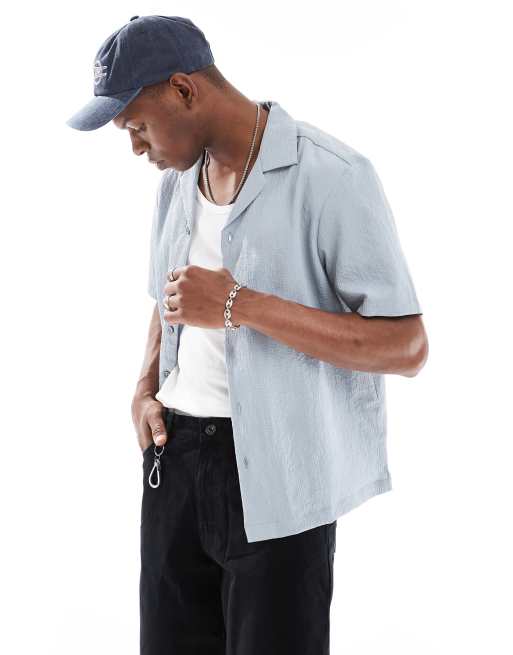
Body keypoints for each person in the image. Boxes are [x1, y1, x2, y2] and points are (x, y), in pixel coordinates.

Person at [66, 14, 429, 655]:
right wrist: (145, 387)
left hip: (279, 477)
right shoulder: (178, 182)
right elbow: (168, 296)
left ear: (183, 89)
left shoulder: (332, 175)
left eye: (137, 126)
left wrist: (240, 304)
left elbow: (406, 347)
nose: (136, 148)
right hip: (174, 461)